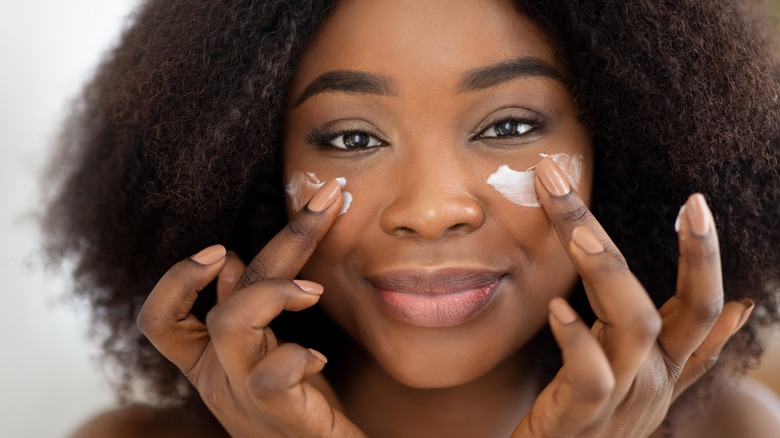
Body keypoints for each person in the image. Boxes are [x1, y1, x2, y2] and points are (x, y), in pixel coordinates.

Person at [43, 0, 780, 436]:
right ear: (251, 173)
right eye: (352, 139)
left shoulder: (738, 431)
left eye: (510, 126)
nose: (430, 212)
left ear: (623, 150)